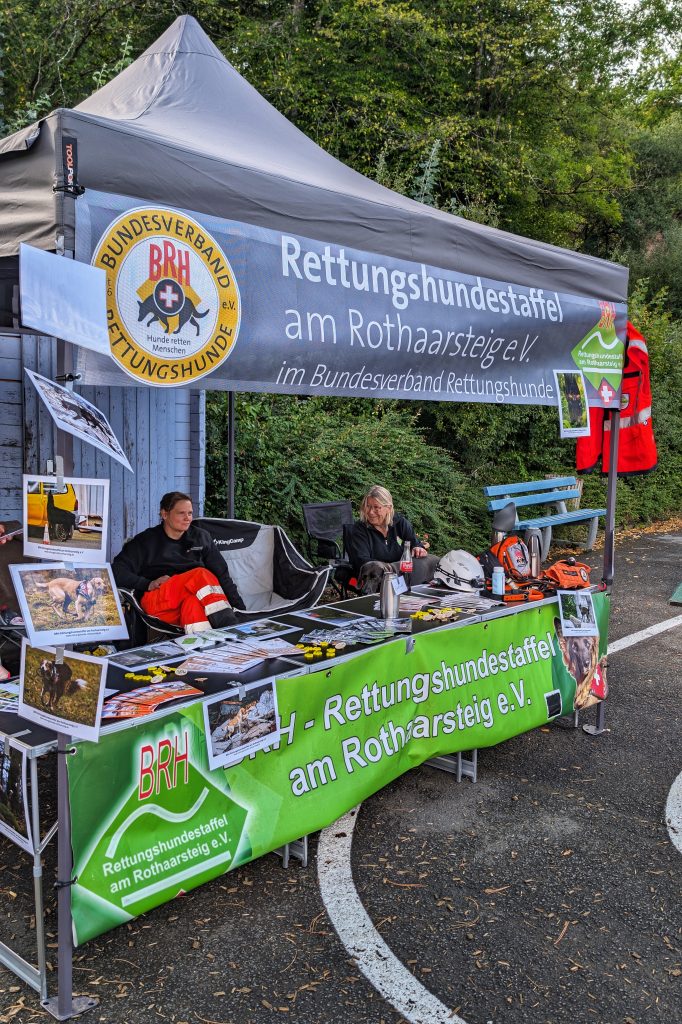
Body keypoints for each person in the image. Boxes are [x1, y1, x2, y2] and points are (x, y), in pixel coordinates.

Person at [112, 492, 244, 633]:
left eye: (190, 513)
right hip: (158, 603)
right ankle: (232, 628)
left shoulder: (201, 537)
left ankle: (205, 643)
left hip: (184, 606)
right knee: (200, 575)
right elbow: (116, 571)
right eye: (181, 513)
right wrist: (147, 584)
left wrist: (240, 609)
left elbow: (222, 574)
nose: (187, 518)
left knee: (192, 604)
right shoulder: (146, 541)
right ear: (165, 514)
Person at [347, 485, 439, 590]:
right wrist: (388, 570)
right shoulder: (359, 530)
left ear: (389, 508)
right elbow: (362, 561)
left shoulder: (400, 523)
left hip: (403, 579)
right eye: (368, 506)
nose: (371, 512)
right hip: (375, 582)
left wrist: (418, 548)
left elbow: (414, 543)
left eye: (376, 507)